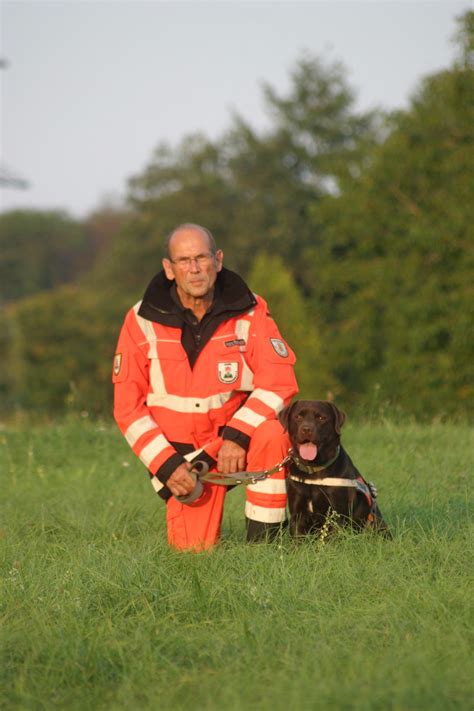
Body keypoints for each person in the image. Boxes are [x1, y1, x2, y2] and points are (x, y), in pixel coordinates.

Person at [113, 223, 298, 550]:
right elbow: (128, 409)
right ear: (169, 269)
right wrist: (167, 466)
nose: (194, 269)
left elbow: (279, 382)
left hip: (234, 442)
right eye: (184, 260)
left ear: (219, 260)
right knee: (193, 558)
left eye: (201, 258)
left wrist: (238, 435)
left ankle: (266, 551)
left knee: (273, 434)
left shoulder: (251, 310)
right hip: (183, 459)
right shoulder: (140, 320)